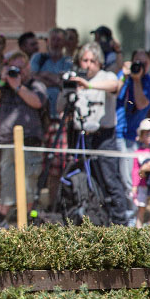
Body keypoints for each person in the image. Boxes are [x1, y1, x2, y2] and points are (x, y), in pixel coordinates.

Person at [57, 42, 126, 225]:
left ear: (99, 62)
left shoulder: (106, 76)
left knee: (109, 179)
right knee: (84, 179)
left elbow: (115, 85)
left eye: (92, 61)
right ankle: (91, 218)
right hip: (81, 136)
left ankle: (120, 222)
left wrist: (87, 85)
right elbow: (60, 109)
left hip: (103, 136)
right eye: (84, 60)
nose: (87, 64)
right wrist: (67, 89)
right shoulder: (76, 78)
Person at [0, 51, 46, 229]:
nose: (17, 71)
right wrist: (3, 80)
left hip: (29, 143)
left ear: (28, 67)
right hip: (8, 143)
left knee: (28, 185)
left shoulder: (35, 84)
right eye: (13, 68)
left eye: (20, 68)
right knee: (8, 183)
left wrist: (18, 87)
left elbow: (37, 102)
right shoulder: (4, 86)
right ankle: (1, 218)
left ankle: (26, 223)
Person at [114, 49, 150, 225]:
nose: (139, 66)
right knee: (120, 178)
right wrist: (123, 76)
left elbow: (141, 104)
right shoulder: (123, 75)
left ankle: (131, 220)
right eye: (136, 62)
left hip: (133, 137)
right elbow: (115, 93)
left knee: (129, 180)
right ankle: (122, 218)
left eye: (144, 63)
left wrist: (137, 80)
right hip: (116, 132)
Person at [31, 27, 72, 118]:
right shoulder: (38, 58)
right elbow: (33, 78)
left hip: (61, 110)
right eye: (53, 39)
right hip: (41, 110)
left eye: (59, 40)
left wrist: (44, 74)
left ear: (64, 43)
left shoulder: (68, 61)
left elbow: (67, 83)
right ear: (48, 41)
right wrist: (57, 80)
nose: (55, 43)